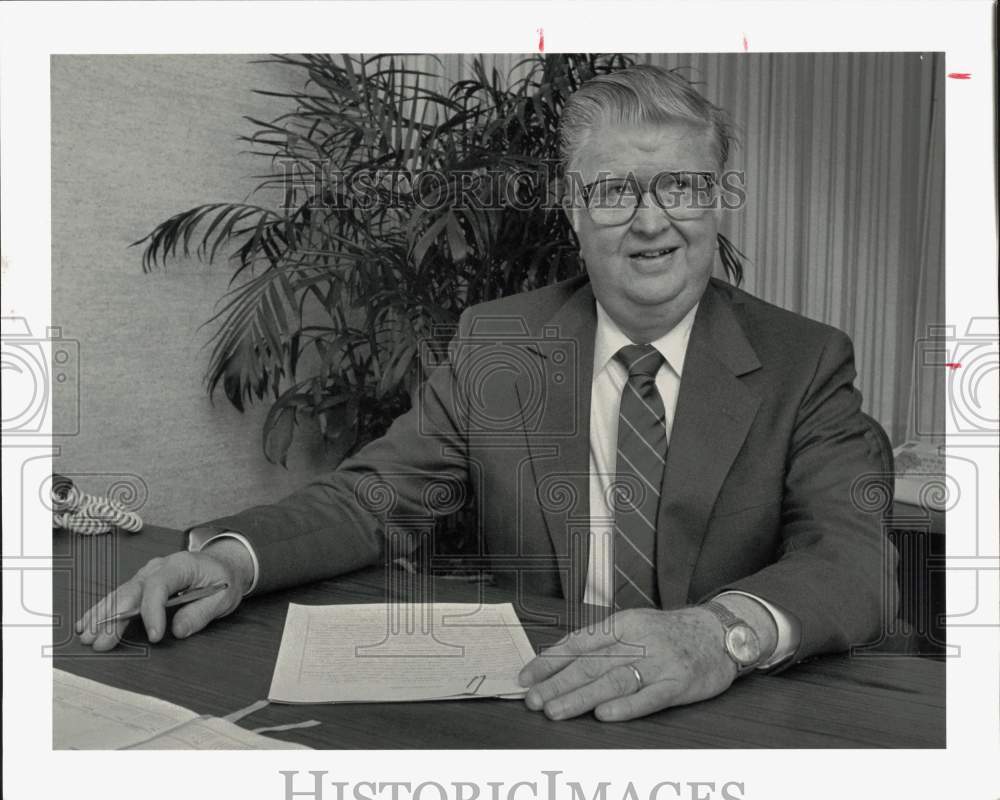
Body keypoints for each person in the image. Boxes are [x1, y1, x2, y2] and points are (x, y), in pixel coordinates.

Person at [77, 65, 897, 722]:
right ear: (573, 212)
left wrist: (721, 634)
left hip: (736, 713)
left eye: (680, 186)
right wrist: (230, 556)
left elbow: (852, 559)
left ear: (716, 201)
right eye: (614, 191)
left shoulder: (807, 361)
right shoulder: (500, 342)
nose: (651, 222)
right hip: (535, 703)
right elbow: (376, 499)